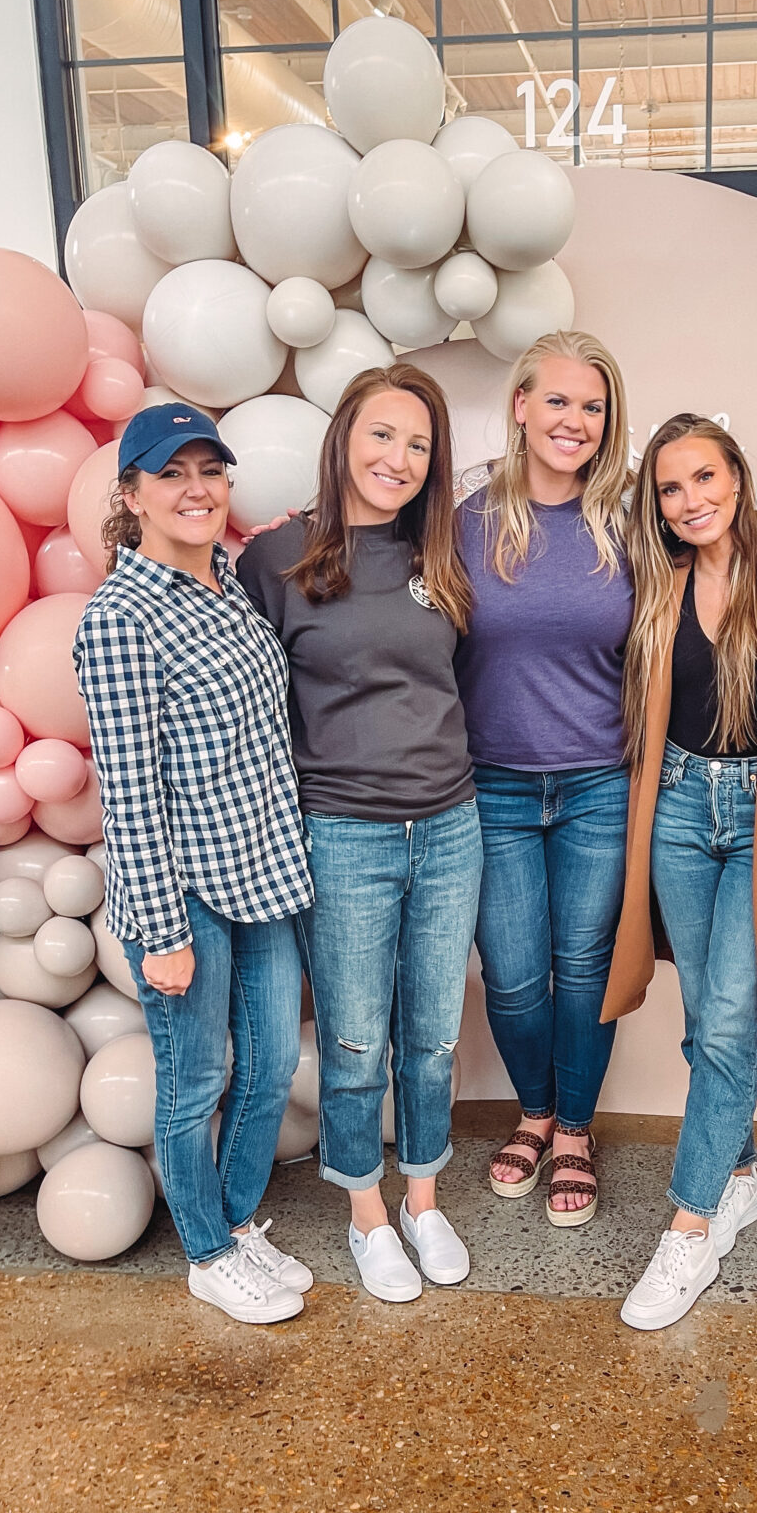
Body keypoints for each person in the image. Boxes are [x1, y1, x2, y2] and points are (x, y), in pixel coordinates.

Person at [237, 364, 481, 1305]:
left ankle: (423, 1198)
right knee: (352, 1043)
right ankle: (367, 1214)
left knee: (429, 1037)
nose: (400, 459)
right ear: (343, 438)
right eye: (383, 435)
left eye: (419, 445)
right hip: (342, 836)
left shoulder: (445, 557)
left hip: (451, 827)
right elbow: (248, 706)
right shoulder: (277, 559)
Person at [73, 403, 315, 1326]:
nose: (195, 488)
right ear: (131, 495)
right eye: (171, 473)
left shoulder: (229, 585)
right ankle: (207, 1255)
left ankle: (239, 1223)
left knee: (262, 1071)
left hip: (263, 873)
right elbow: (128, 794)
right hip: (184, 897)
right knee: (195, 1084)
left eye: (210, 470)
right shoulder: (122, 619)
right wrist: (163, 932)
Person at [602, 415, 757, 1328]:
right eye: (670, 487)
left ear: (738, 476)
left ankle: (688, 1231)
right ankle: (737, 1177)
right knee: (708, 1013)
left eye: (705, 478)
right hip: (681, 811)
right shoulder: (655, 583)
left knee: (733, 1020)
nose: (691, 500)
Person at [455, 329, 634, 1227]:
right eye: (557, 400)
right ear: (521, 406)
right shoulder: (462, 520)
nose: (574, 420)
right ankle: (532, 1106)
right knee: (516, 978)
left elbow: (751, 557)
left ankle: (570, 1130)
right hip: (493, 786)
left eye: (592, 406)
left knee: (584, 971)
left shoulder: (630, 522)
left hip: (601, 784)